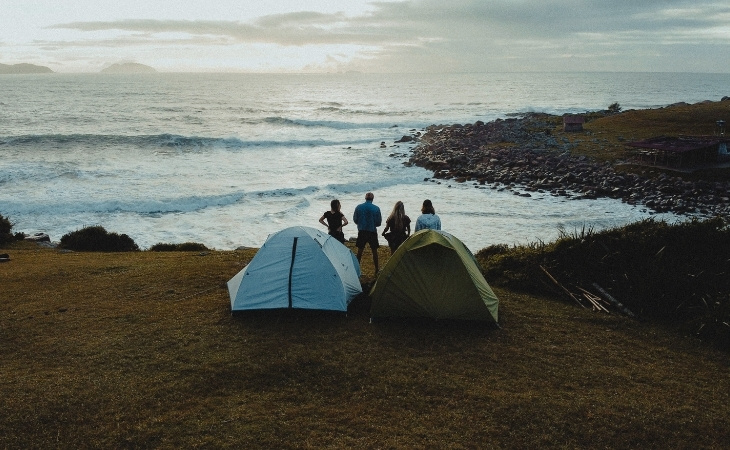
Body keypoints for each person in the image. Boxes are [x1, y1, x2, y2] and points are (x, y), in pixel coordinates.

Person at [352, 192, 382, 273]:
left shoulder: (359, 207)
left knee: (359, 251)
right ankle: (376, 269)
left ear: (365, 198)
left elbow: (355, 219)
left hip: (362, 231)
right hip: (372, 231)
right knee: (374, 251)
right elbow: (379, 223)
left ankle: (357, 269)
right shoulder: (376, 208)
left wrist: (361, 223)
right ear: (372, 199)